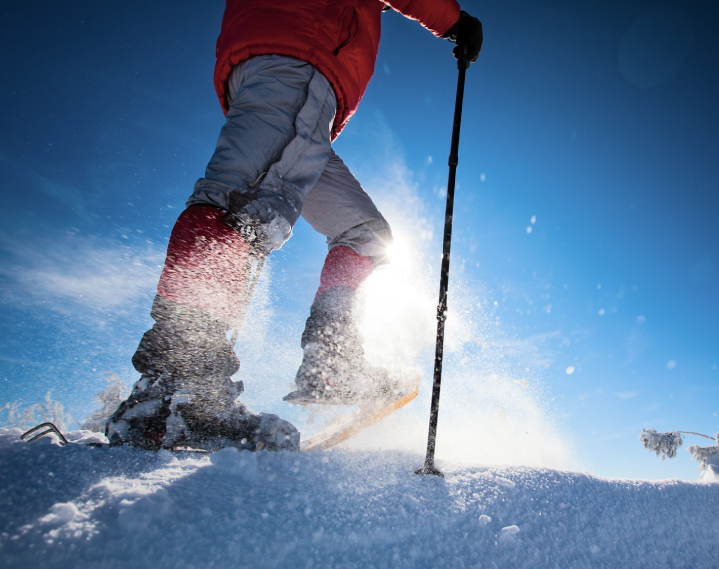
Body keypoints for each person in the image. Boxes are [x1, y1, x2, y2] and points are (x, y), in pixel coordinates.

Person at [106, 0, 483, 452]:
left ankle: (330, 361)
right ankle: (177, 393)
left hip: (299, 78)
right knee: (240, 209)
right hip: (302, 54)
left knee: (366, 235)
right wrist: (456, 24)